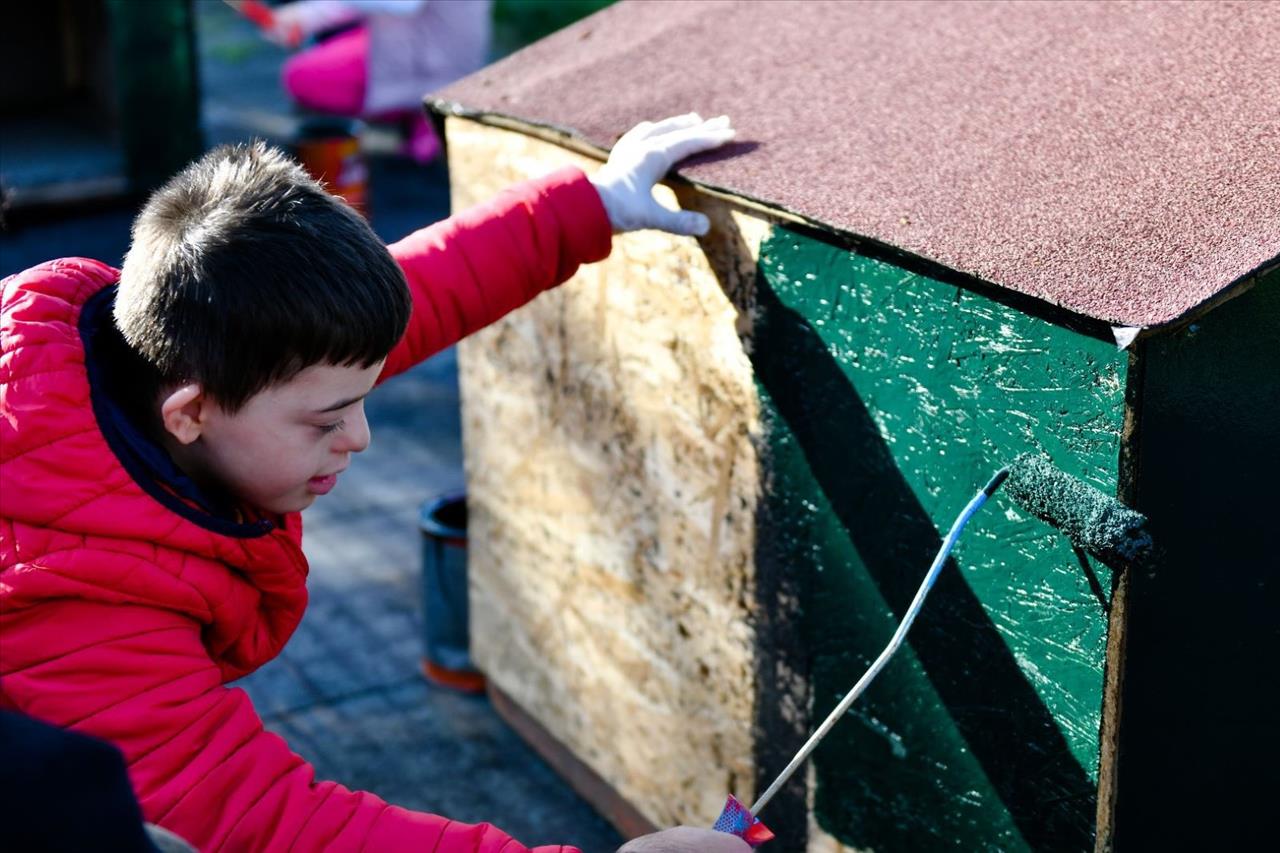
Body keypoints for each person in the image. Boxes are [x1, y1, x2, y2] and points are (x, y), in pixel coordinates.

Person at [0, 113, 746, 852]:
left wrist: (594, 204)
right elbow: (261, 824)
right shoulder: (75, 606)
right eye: (327, 422)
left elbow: (393, 312)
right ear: (191, 412)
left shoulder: (124, 353)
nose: (360, 436)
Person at [268, 0, 493, 162]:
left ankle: (423, 111)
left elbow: (403, 3)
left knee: (302, 77)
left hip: (433, 54)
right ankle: (421, 114)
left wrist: (309, 14)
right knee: (319, 53)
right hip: (412, 35)